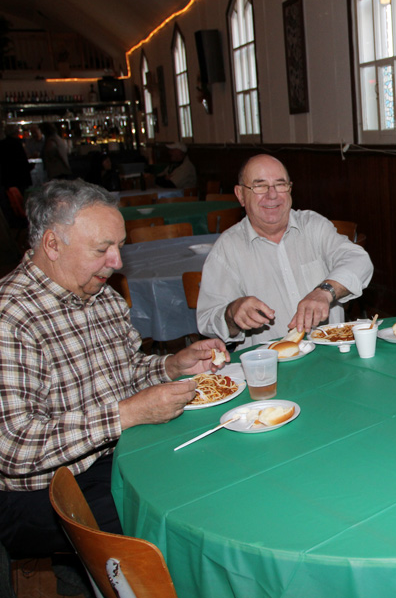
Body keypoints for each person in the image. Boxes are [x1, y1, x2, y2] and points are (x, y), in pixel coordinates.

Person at [0, 179, 228, 559]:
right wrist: (127, 414)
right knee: (173, 526)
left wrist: (172, 365)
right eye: (102, 249)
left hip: (117, 455)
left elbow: (127, 371)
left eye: (119, 246)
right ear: (52, 245)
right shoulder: (11, 317)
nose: (117, 262)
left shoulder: (99, 294)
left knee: (212, 473)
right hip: (45, 490)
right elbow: (13, 447)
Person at [197, 154, 374, 348]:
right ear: (240, 195)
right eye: (260, 185)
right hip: (271, 366)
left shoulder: (313, 226)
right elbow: (207, 322)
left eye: (280, 185)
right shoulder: (227, 249)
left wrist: (324, 292)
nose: (272, 195)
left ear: (290, 188)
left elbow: (358, 260)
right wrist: (231, 313)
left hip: (330, 354)